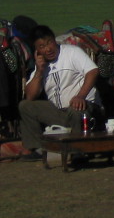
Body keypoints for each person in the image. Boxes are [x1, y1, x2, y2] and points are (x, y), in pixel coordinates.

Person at [17, 25, 100, 153]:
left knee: (76, 109)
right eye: (42, 47)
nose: (48, 49)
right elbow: (30, 96)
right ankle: (38, 149)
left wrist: (80, 96)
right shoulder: (41, 65)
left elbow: (93, 71)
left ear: (54, 40)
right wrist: (39, 71)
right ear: (37, 50)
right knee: (25, 106)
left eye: (49, 43)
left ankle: (78, 150)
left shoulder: (72, 52)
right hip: (60, 112)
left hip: (84, 107)